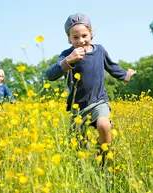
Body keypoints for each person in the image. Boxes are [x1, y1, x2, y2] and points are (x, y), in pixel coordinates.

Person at [45, 13, 136, 167]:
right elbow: (50, 75)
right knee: (78, 148)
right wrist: (68, 61)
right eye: (75, 37)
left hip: (98, 100)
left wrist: (126, 75)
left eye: (84, 35)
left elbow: (111, 66)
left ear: (91, 34)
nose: (81, 41)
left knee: (104, 125)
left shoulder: (99, 50)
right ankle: (84, 172)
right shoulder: (67, 54)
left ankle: (103, 160)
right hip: (77, 107)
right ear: (69, 38)